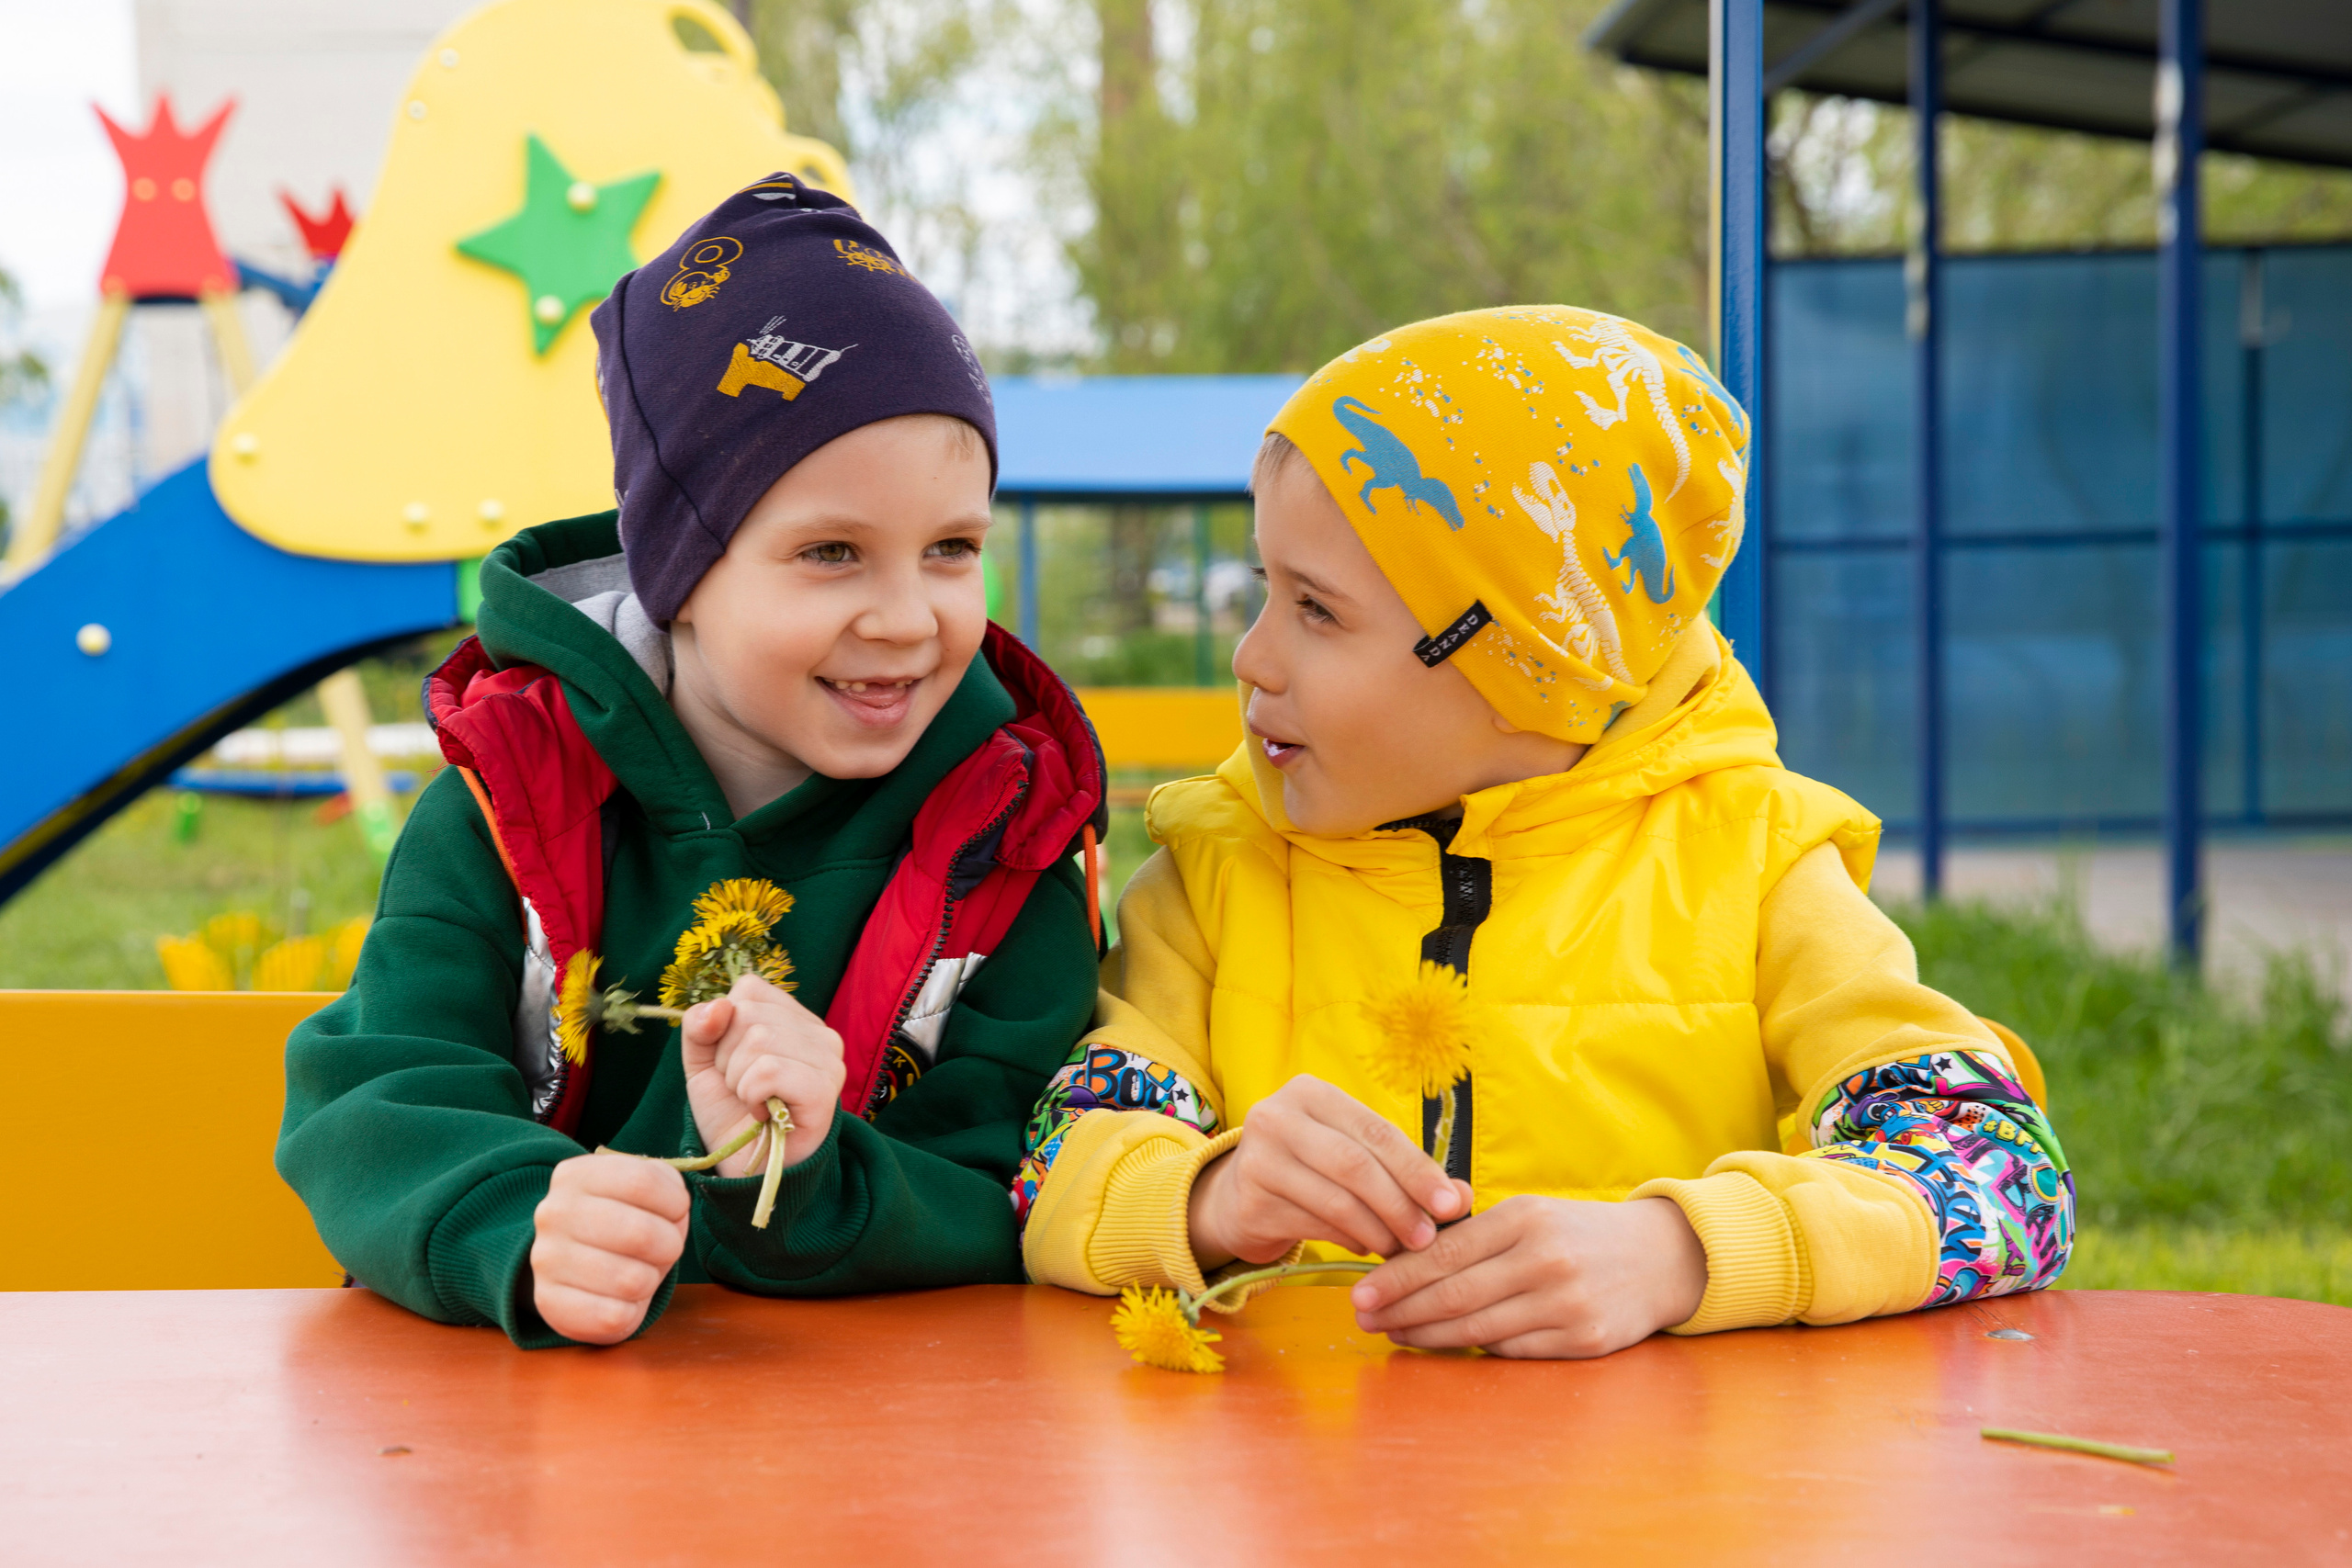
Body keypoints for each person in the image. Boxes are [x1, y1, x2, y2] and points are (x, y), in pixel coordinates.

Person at [1017, 306, 2071, 1357]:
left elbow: (2002, 1176)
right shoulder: (1214, 870)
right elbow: (1049, 1164)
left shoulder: (1753, 863)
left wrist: (1681, 1254)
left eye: (1316, 611)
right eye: (1265, 591)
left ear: (1528, 670)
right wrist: (1209, 1196)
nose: (1250, 658)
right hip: (1299, 1503)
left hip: (1662, 1506)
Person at [278, 176, 1104, 1348]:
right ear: (677, 570)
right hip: (531, 1454)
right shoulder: (507, 805)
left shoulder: (1005, 839)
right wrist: (524, 1226)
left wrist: (812, 1173)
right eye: (831, 552)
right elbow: (375, 1099)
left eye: (951, 550)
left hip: (893, 1452)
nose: (908, 617)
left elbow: (1018, 1177)